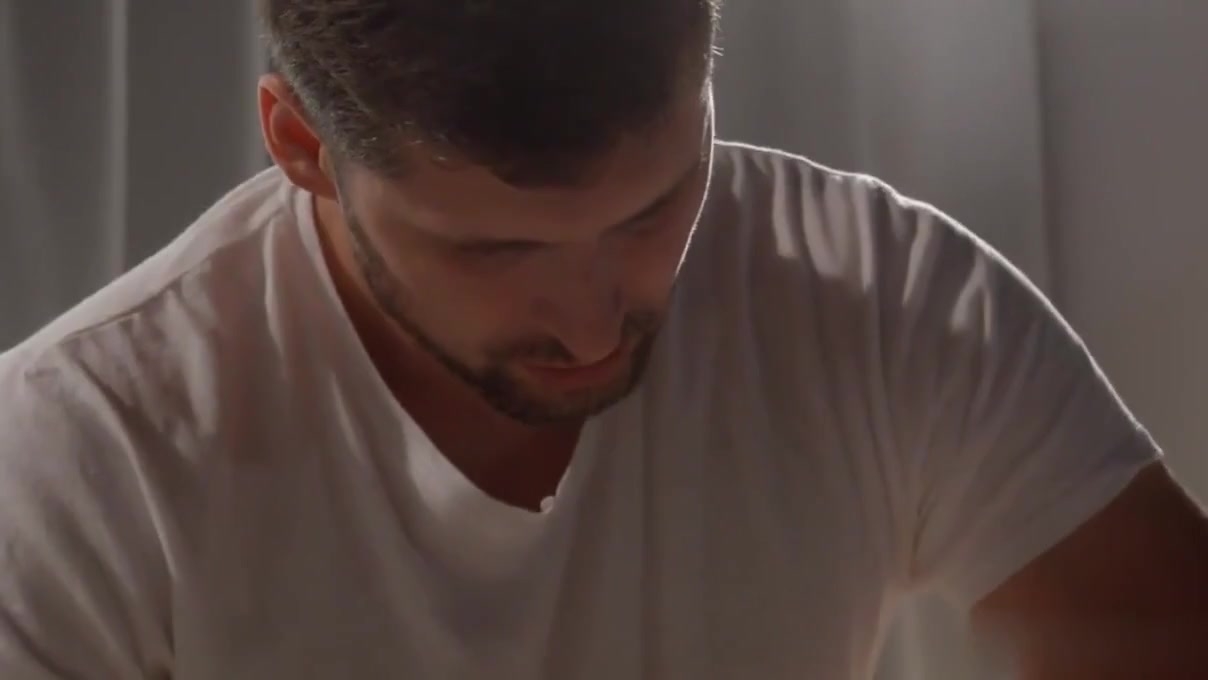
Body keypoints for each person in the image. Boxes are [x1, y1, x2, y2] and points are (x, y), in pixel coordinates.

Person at [1, 1, 1206, 677]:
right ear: (301, 146)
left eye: (653, 208)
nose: (593, 321)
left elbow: (1155, 628)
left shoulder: (875, 293)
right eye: (493, 251)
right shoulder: (75, 459)